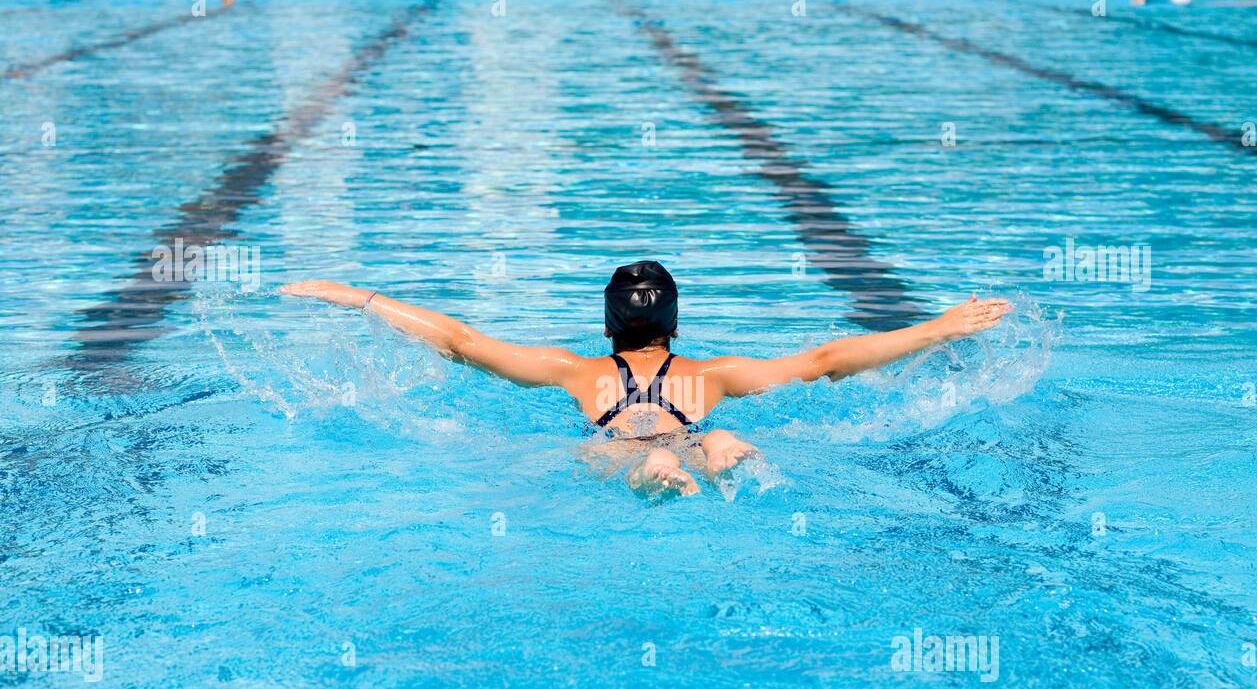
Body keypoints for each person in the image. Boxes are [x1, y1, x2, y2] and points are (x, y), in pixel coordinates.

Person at [279, 262, 1010, 497]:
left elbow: (462, 342)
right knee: (717, 442)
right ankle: (722, 459)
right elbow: (826, 361)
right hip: (698, 427)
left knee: (642, 463)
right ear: (676, 326)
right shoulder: (712, 375)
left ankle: (661, 476)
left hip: (615, 444)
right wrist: (938, 327)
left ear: (607, 328)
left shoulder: (577, 373)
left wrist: (361, 298)